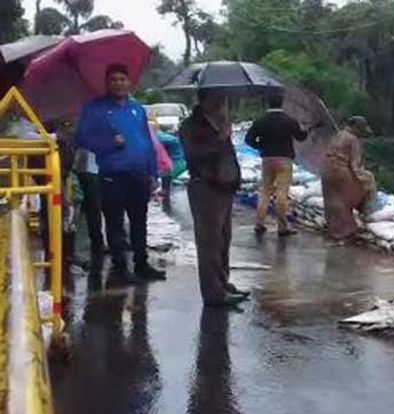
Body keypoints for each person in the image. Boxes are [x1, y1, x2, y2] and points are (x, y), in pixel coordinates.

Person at [75, 63, 166, 282]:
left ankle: (142, 264)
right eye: (113, 79)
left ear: (129, 82)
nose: (118, 83)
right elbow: (81, 138)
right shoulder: (94, 108)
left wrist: (153, 173)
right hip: (112, 174)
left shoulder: (137, 109)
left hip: (139, 174)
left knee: (139, 221)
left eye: (122, 79)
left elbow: (147, 142)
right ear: (107, 83)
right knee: (115, 223)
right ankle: (120, 269)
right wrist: (108, 142)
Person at [179, 89, 249, 309]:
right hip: (205, 186)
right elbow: (194, 155)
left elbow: (228, 156)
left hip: (224, 187)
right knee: (209, 242)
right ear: (205, 100)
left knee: (223, 239)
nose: (221, 102)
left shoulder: (220, 122)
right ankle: (213, 292)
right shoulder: (191, 126)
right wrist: (219, 140)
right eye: (217, 98)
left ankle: (223, 281)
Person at [245, 90, 308, 236]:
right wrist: (306, 130)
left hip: (267, 159)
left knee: (265, 191)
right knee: (282, 192)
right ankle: (282, 226)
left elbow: (249, 140)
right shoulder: (288, 120)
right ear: (282, 104)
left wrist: (261, 147)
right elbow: (300, 137)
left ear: (269, 104)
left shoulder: (260, 121)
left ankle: (259, 223)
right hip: (284, 159)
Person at [321, 116, 377, 241]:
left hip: (326, 170)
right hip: (340, 173)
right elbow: (354, 166)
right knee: (347, 199)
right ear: (357, 128)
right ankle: (352, 227)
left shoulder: (339, 135)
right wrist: (365, 179)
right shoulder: (353, 140)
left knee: (332, 202)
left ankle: (333, 229)